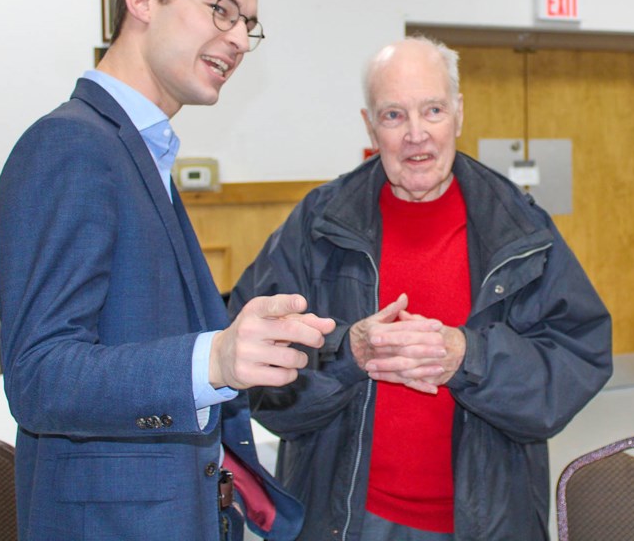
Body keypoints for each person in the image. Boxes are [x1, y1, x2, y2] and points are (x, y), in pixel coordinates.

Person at [0, 0, 335, 541]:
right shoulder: (71, 145)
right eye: (221, 10)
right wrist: (216, 357)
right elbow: (41, 376)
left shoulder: (139, 151)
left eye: (247, 24)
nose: (236, 39)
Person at [228, 35, 613, 540]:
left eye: (432, 110)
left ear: (458, 114)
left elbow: (578, 356)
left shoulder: (519, 226)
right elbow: (254, 359)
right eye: (393, 115)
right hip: (347, 518)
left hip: (487, 521)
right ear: (370, 126)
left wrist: (468, 358)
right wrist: (349, 352)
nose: (416, 134)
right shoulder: (318, 224)